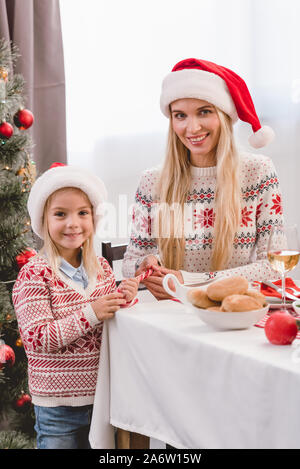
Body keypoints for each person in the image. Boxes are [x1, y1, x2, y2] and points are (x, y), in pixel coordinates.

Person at [122, 58, 284, 300]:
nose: (192, 127)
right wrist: (146, 264)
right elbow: (130, 263)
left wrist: (190, 282)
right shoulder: (151, 182)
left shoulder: (258, 172)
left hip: (233, 310)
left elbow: (274, 266)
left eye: (204, 112)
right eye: (180, 116)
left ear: (225, 115)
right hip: (174, 311)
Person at [12, 163, 138, 449]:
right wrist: (93, 311)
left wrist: (124, 299)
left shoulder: (103, 268)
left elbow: (106, 323)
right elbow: (37, 338)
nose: (73, 223)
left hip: (103, 399)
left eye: (82, 213)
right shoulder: (34, 274)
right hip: (58, 408)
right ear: (43, 221)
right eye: (60, 214)